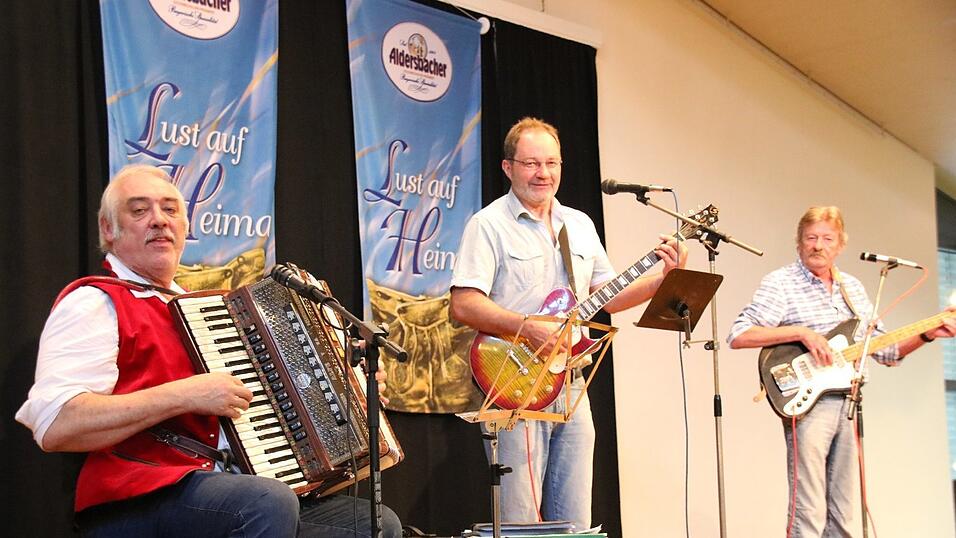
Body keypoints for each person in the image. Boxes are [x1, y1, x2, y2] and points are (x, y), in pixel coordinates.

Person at [15, 164, 402, 538]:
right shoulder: (94, 303)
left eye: (170, 210)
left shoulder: (209, 310)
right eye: (139, 210)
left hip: (233, 488)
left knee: (373, 523)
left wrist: (346, 391)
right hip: (138, 499)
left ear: (186, 227)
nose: (159, 220)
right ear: (108, 229)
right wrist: (185, 394)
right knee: (266, 502)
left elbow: (275, 398)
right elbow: (57, 424)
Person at [449, 117, 687, 530]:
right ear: (508, 168)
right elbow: (463, 304)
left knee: (576, 521)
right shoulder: (488, 225)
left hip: (571, 383)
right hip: (514, 383)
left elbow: (606, 297)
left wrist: (661, 281)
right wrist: (527, 326)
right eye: (531, 163)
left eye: (552, 163)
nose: (543, 173)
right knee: (521, 522)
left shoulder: (578, 224)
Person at [727, 206, 956, 538]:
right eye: (811, 238)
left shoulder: (853, 288)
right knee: (808, 510)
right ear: (799, 242)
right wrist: (801, 333)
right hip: (808, 405)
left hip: (848, 402)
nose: (818, 245)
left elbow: (885, 351)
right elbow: (740, 334)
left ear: (840, 245)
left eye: (826, 238)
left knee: (845, 512)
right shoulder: (781, 282)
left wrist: (927, 333)